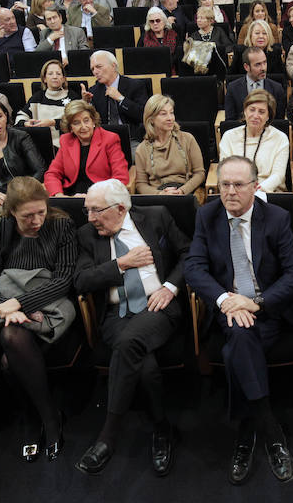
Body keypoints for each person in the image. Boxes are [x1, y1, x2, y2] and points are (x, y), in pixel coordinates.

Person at [184, 155, 293, 485]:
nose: (230, 191)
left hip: (267, 310)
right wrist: (225, 300)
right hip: (229, 309)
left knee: (233, 349)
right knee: (238, 334)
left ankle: (245, 433)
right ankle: (271, 430)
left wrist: (256, 303)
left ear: (255, 186)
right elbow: (194, 268)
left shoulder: (277, 218)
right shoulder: (206, 217)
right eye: (224, 184)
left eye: (239, 185)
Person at [73, 178, 189, 476]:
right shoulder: (87, 235)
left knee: (129, 345)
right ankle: (163, 429)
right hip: (116, 313)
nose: (90, 218)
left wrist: (170, 288)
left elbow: (189, 254)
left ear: (121, 208)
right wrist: (121, 264)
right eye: (87, 210)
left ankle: (108, 436)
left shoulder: (156, 216)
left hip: (157, 305)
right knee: (145, 366)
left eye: (96, 211)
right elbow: (81, 281)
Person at [0, 175, 75, 463]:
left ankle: (36, 418)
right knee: (10, 338)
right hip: (8, 306)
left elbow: (64, 280)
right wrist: (5, 306)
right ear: (11, 211)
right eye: (28, 215)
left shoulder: (61, 225)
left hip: (49, 304)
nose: (37, 220)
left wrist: (21, 303)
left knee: (8, 353)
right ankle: (47, 416)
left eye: (41, 211)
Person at [43, 99, 129, 196]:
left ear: (93, 122)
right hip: (71, 196)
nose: (83, 126)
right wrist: (59, 195)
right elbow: (52, 174)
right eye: (76, 123)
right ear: (70, 127)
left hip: (102, 196)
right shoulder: (66, 140)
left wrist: (94, 197)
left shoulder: (110, 139)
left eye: (86, 120)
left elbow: (121, 176)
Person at [133, 95, 204, 195]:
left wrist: (183, 191)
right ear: (151, 119)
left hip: (185, 193)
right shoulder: (142, 149)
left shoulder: (187, 139)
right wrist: (160, 194)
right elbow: (141, 184)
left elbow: (200, 173)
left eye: (171, 113)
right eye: (163, 114)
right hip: (158, 197)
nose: (170, 118)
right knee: (160, 210)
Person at [220, 90, 290, 192]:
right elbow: (225, 171)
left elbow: (278, 175)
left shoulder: (280, 138)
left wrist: (255, 192)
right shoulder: (229, 137)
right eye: (252, 110)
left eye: (261, 112)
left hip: (269, 193)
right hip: (235, 192)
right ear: (245, 111)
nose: (255, 116)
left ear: (268, 116)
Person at [83, 50, 149, 149]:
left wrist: (121, 99)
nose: (95, 72)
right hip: (104, 142)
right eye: (92, 69)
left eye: (98, 67)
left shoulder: (135, 85)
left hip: (132, 140)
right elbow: (92, 122)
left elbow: (144, 115)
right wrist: (86, 104)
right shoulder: (94, 91)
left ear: (113, 66)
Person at [17, 59, 81, 145]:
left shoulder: (73, 97)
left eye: (58, 74)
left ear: (63, 79)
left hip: (68, 144)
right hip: (41, 145)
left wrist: (53, 123)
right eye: (50, 74)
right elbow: (21, 116)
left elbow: (77, 121)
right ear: (44, 79)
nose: (55, 77)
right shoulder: (37, 98)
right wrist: (25, 123)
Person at [224, 47, 287, 121]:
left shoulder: (277, 88)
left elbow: (279, 121)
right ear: (246, 67)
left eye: (265, 62)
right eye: (258, 65)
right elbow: (230, 121)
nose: (263, 68)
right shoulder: (233, 88)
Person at [141, 7, 179, 75]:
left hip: (171, 72)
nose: (155, 23)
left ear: (164, 21)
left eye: (158, 20)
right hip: (150, 73)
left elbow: (177, 57)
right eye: (152, 21)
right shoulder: (143, 37)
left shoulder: (174, 35)